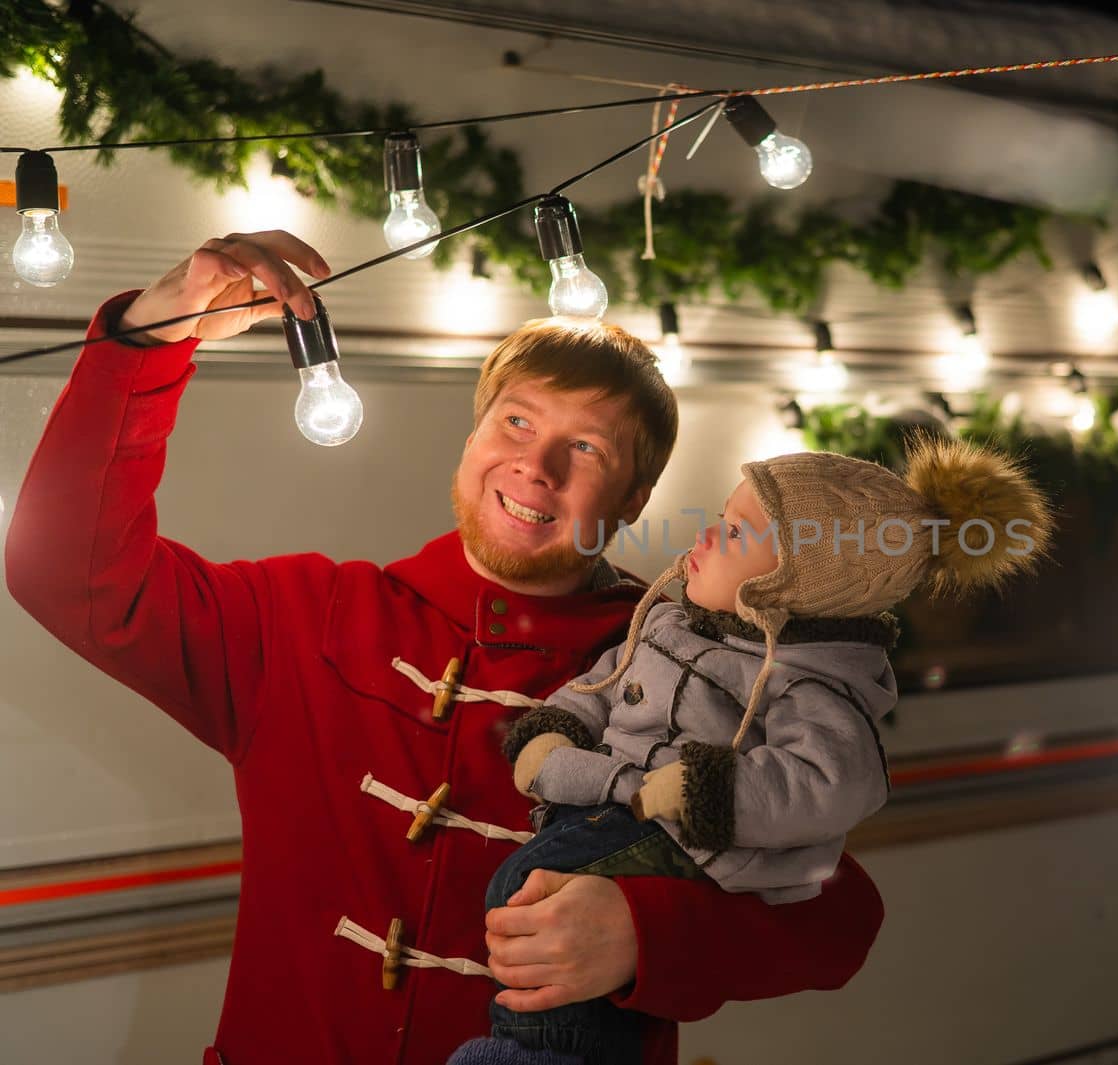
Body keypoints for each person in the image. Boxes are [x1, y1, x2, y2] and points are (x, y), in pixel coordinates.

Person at [3, 231, 884, 1065]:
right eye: (514, 422)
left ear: (635, 495)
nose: (536, 466)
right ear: (472, 437)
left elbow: (840, 919)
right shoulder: (303, 615)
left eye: (586, 446)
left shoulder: (704, 665)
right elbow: (62, 569)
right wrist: (149, 337)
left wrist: (642, 932)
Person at [449, 442, 1051, 1064]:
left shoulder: (802, 679)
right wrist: (559, 725)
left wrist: (700, 788)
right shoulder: (670, 620)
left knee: (530, 889)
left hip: (684, 829)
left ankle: (537, 1056)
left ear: (794, 580)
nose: (707, 535)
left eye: (735, 531)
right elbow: (605, 682)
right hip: (618, 797)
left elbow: (834, 780)